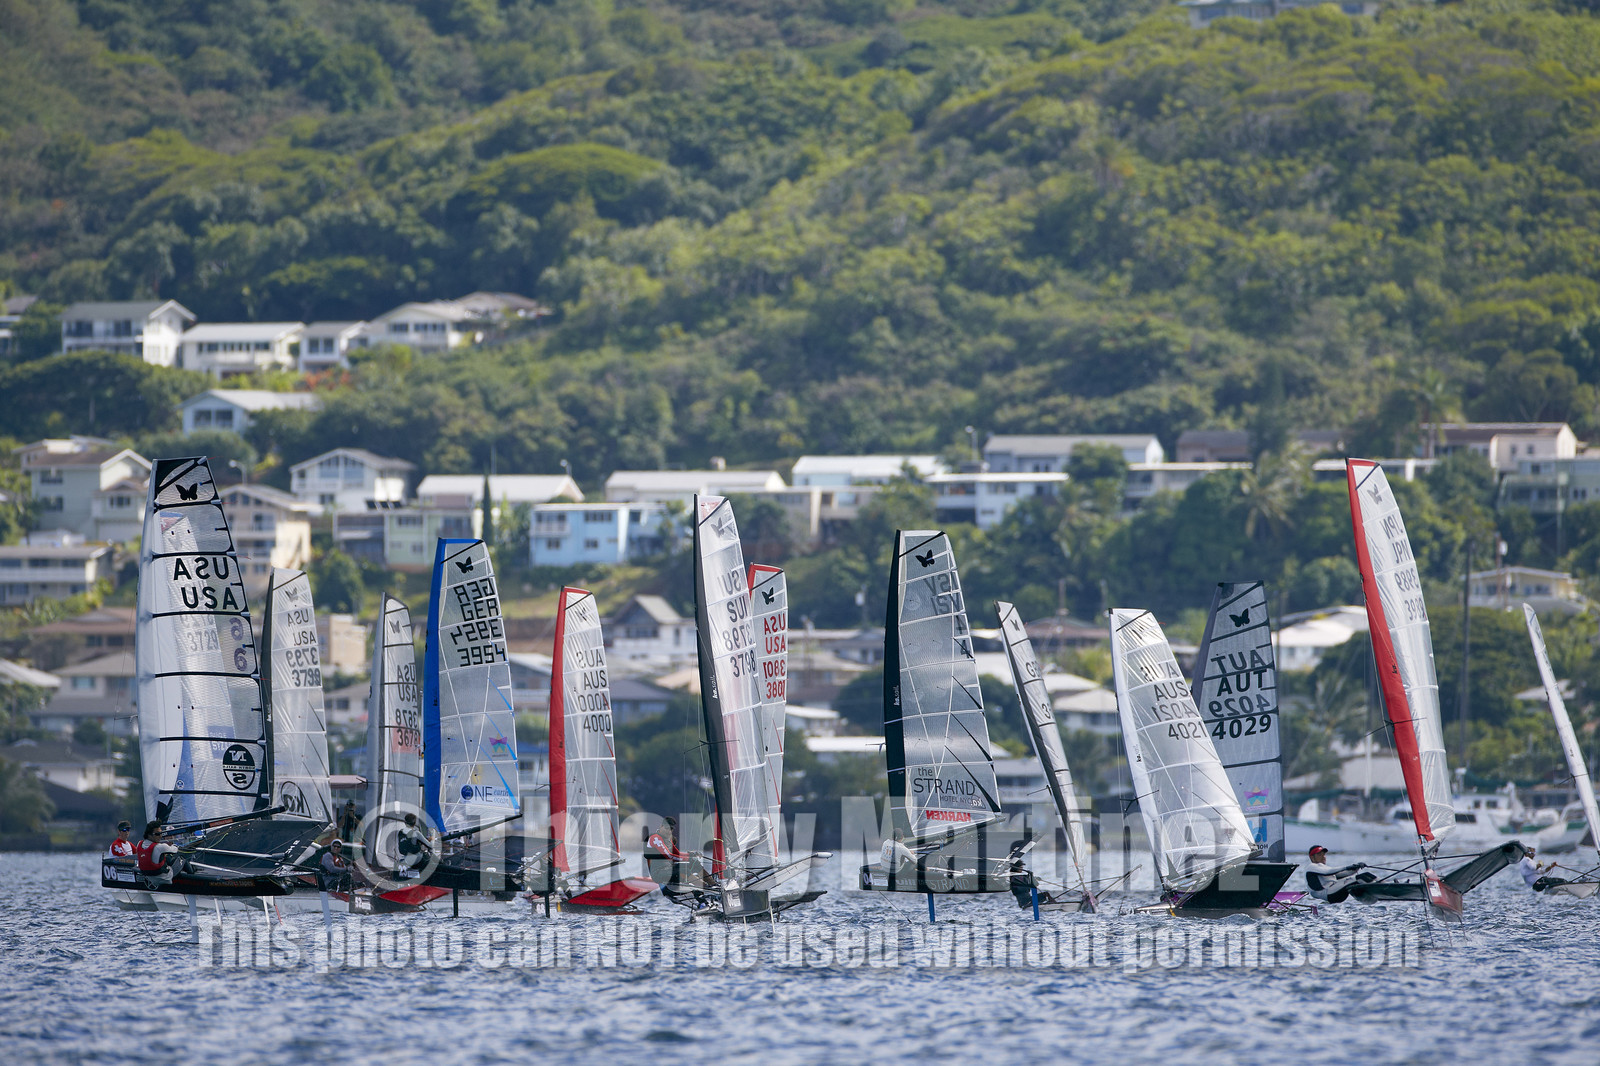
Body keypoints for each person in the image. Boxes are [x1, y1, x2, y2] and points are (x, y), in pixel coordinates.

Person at [1304, 845, 1375, 903]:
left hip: (1334, 892)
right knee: (1360, 878)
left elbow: (1344, 874)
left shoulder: (1321, 868)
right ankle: (1379, 890)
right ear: (1312, 857)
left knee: (1365, 875)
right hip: (1329, 894)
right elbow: (1328, 871)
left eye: (1324, 854)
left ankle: (1381, 885)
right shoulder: (1311, 867)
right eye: (1319, 855)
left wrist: (1357, 867)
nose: (1323, 857)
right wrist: (1347, 867)